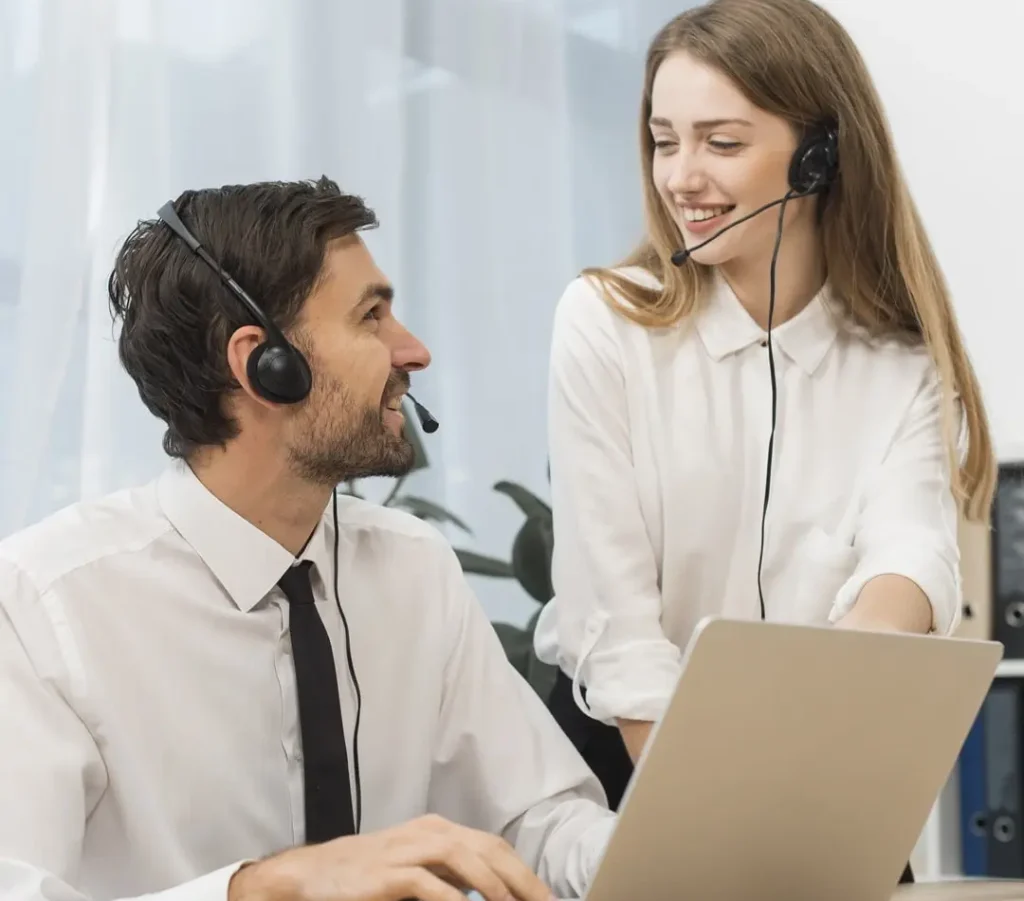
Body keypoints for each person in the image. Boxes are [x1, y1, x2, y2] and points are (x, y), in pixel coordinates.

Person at [0, 178, 615, 901]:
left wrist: (703, 853)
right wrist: (259, 888)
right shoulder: (44, 602)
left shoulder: (412, 567)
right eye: (371, 317)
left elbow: (536, 818)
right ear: (264, 364)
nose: (412, 351)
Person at [532, 0, 995, 874]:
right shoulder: (603, 322)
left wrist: (835, 700)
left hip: (815, 755)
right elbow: (617, 624)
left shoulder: (897, 358)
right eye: (665, 140)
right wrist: (717, 811)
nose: (681, 177)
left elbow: (911, 558)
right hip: (629, 752)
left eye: (722, 142)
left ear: (821, 157)